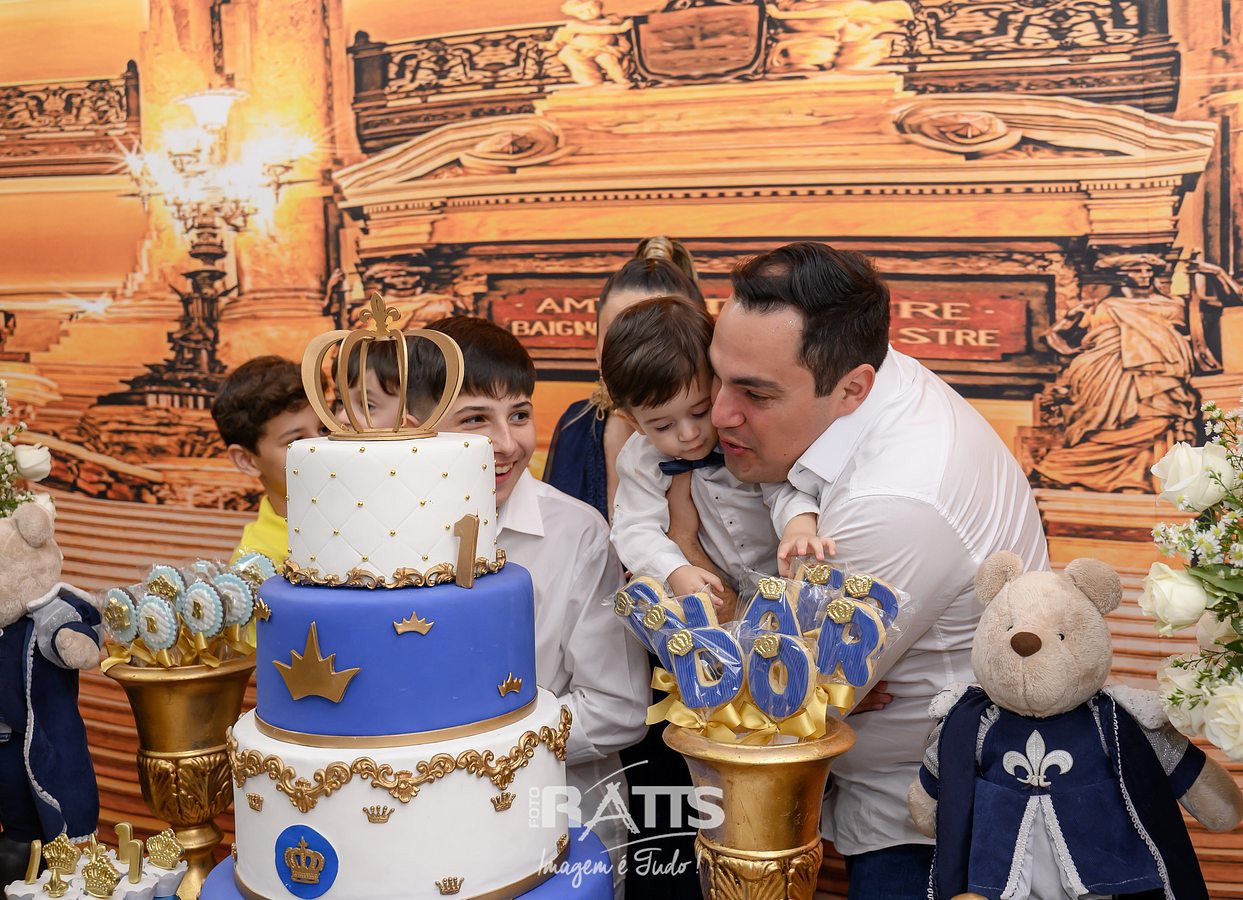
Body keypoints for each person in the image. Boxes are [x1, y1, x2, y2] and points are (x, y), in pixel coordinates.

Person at [708, 242, 1049, 899]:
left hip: (937, 834)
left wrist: (790, 675)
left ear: (851, 388)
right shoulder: (875, 387)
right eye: (717, 376)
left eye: (754, 393)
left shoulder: (893, 501)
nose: (719, 412)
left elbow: (767, 701)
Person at [402, 316, 649, 897]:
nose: (508, 443)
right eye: (475, 420)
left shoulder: (578, 535)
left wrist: (479, 750)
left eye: (518, 414)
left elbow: (618, 709)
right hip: (415, 835)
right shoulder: (384, 544)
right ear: (415, 431)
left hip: (559, 829)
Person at [601, 295, 832, 601]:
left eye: (700, 411)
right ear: (634, 422)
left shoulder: (742, 430)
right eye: (663, 426)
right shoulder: (640, 459)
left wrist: (798, 525)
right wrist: (674, 569)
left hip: (781, 577)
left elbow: (784, 486)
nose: (688, 434)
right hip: (706, 586)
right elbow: (633, 527)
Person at [544, 236, 703, 520]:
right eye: (618, 337)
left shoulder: (730, 436)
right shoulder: (576, 425)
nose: (638, 357)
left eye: (659, 339)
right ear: (596, 349)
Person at [210, 355, 325, 564]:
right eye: (296, 440)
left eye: (324, 429)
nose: (321, 447)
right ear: (246, 461)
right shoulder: (257, 566)